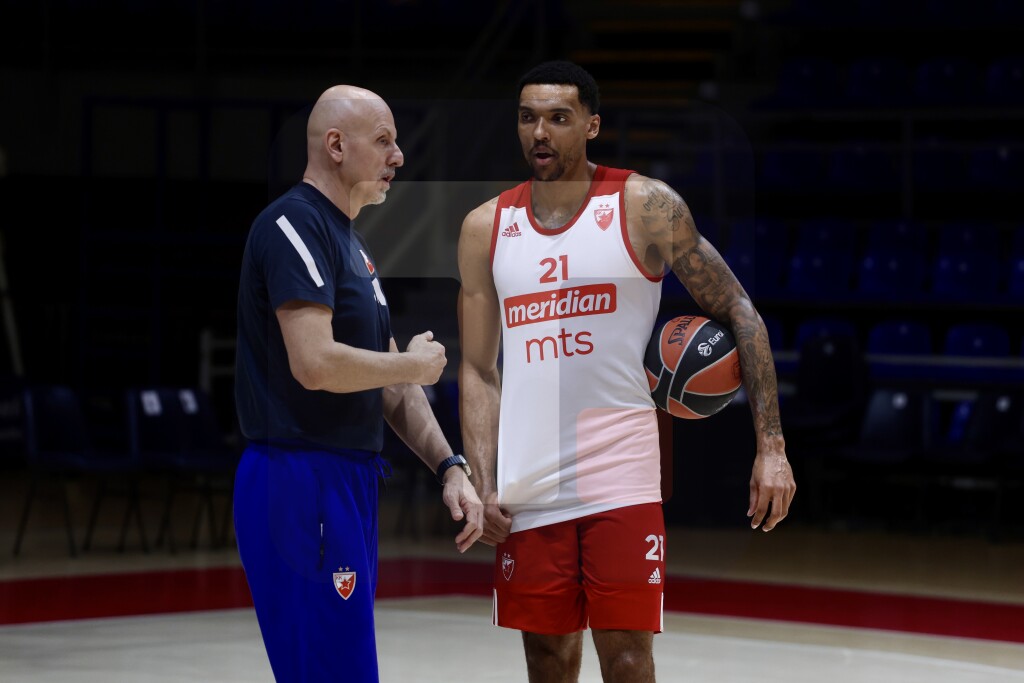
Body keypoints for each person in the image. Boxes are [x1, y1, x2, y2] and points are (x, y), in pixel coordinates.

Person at [457, 61, 796, 683]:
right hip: (529, 479)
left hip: (621, 472)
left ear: (592, 125)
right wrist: (483, 480)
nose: (540, 133)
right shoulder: (486, 227)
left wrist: (771, 447)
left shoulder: (644, 205)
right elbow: (479, 369)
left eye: (559, 118)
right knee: (546, 660)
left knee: (629, 658)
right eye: (528, 118)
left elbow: (739, 310)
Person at [234, 84, 484, 683]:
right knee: (330, 670)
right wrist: (410, 366)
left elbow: (391, 385)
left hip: (346, 478)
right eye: (384, 140)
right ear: (336, 145)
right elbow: (316, 363)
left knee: (342, 667)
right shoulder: (294, 224)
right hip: (300, 476)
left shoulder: (353, 244)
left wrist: (450, 466)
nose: (399, 156)